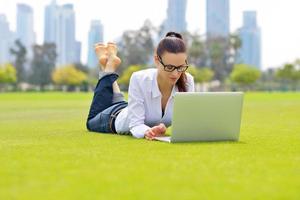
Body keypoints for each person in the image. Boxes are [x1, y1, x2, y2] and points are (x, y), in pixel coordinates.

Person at [86, 31, 195, 140]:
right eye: (170, 67)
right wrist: (148, 131)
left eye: (181, 67)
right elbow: (136, 125)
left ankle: (105, 64)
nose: (175, 74)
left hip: (129, 109)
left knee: (123, 104)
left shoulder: (187, 81)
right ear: (157, 60)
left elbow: (187, 123)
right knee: (91, 122)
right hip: (113, 118)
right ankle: (109, 67)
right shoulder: (139, 78)